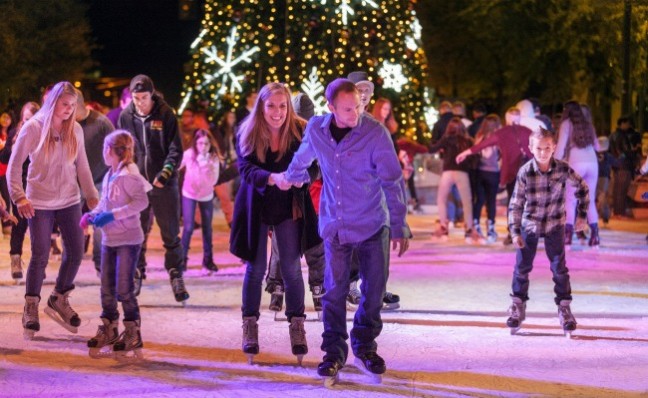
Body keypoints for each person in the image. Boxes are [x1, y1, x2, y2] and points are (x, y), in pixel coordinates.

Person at [282, 78, 411, 383]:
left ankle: (364, 344)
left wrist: (399, 224)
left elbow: (392, 180)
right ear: (330, 107)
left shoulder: (375, 133)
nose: (355, 114)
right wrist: (291, 177)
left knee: (374, 290)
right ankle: (333, 352)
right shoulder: (316, 129)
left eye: (357, 107)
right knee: (335, 291)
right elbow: (301, 160)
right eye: (347, 109)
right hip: (336, 224)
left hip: (371, 223)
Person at [229, 82, 320, 365]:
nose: (277, 112)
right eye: (271, 106)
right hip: (256, 204)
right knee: (255, 269)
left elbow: (316, 165)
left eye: (282, 106)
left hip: (287, 207)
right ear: (261, 106)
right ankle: (250, 325)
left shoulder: (302, 130)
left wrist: (302, 178)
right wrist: (272, 178)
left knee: (292, 268)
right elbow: (244, 169)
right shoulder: (247, 131)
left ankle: (297, 324)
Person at [7, 81, 99, 340]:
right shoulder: (33, 128)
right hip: (40, 202)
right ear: (53, 102)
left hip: (69, 199)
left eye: (73, 105)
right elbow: (14, 166)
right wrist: (19, 197)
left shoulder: (76, 130)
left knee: (77, 250)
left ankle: (59, 296)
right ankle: (31, 305)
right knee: (40, 255)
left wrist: (91, 195)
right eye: (65, 104)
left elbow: (82, 166)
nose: (69, 109)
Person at [506, 128, 589, 336]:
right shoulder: (525, 172)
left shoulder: (562, 169)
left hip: (554, 225)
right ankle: (517, 305)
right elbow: (516, 203)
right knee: (522, 267)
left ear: (553, 148)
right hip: (530, 225)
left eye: (547, 148)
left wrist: (581, 215)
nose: (543, 152)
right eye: (539, 148)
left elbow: (582, 188)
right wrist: (515, 232)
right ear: (531, 149)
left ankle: (564, 308)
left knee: (559, 268)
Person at [118, 74, 189, 303]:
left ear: (152, 94)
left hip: (163, 184)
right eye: (136, 98)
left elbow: (175, 149)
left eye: (144, 97)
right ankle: (137, 271)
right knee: (137, 231)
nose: (140, 102)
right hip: (138, 185)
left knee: (169, 232)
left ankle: (176, 274)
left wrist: (165, 174)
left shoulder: (165, 114)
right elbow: (122, 150)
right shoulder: (126, 117)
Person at [82, 130, 151, 359]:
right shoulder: (111, 173)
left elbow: (142, 202)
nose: (103, 152)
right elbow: (105, 201)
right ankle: (109, 328)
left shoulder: (130, 174)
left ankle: (133, 331)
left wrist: (113, 215)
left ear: (110, 151)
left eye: (105, 148)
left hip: (128, 240)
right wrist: (91, 215)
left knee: (124, 288)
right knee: (106, 288)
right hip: (110, 239)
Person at [456, 107, 533, 245]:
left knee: (513, 201)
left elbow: (482, 145)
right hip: (528, 172)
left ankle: (512, 232)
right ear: (519, 117)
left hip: (511, 173)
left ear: (507, 118)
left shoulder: (502, 133)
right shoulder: (527, 131)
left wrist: (465, 153)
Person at [75, 89, 115, 272]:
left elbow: (116, 150)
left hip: (98, 181)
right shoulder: (66, 124)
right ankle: (72, 261)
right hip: (74, 183)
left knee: (99, 225)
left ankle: (100, 264)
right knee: (72, 225)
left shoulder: (101, 123)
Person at [0, 102, 39, 282]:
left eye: (32, 119)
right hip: (19, 184)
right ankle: (16, 258)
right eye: (25, 120)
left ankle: (38, 264)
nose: (28, 123)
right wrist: (12, 146)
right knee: (19, 223)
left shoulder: (42, 134)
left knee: (38, 225)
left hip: (38, 185)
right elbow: (4, 158)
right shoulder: (16, 133)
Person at [428, 117, 482, 243]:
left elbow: (432, 149)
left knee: (441, 199)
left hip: (447, 172)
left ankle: (443, 227)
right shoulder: (468, 140)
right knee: (467, 202)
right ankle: (468, 230)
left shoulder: (446, 139)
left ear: (449, 128)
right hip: (462, 173)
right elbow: (475, 156)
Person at [554, 101, 600, 247]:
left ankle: (567, 237)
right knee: (590, 200)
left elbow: (560, 147)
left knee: (570, 200)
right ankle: (595, 237)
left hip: (576, 163)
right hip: (592, 163)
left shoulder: (566, 124)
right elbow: (598, 146)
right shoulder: (588, 124)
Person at [179, 129, 220, 274]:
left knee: (207, 228)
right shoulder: (189, 154)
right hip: (189, 193)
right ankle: (181, 260)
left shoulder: (213, 159)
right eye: (200, 143)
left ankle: (208, 260)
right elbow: (177, 165)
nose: (203, 146)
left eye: (206, 144)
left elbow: (214, 181)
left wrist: (208, 170)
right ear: (195, 143)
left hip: (206, 195)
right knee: (188, 227)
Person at [471, 114, 502, 243]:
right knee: (491, 201)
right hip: (493, 173)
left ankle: (476, 225)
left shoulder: (479, 137)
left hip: (480, 172)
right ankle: (491, 229)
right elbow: (501, 156)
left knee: (479, 200)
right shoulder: (499, 137)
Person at [609, 116, 641, 218]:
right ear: (622, 123)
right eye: (627, 123)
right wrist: (634, 151)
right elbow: (625, 151)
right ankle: (619, 212)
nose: (628, 126)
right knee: (621, 191)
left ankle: (618, 211)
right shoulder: (621, 136)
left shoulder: (613, 135)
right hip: (624, 165)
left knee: (618, 190)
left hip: (617, 165)